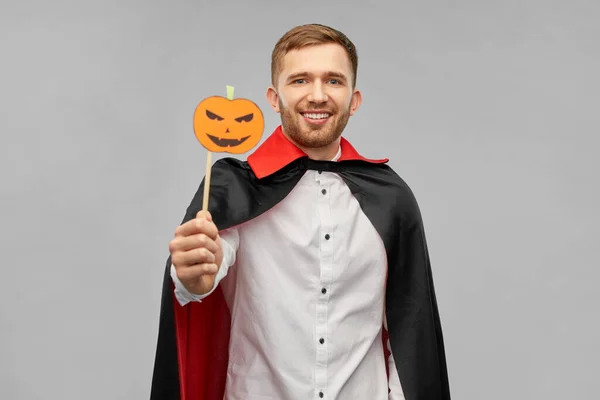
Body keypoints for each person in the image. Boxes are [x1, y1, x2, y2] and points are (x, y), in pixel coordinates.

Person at [150, 23, 451, 400]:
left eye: (334, 81)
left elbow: (409, 328)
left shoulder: (391, 196)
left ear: (354, 100)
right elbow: (204, 272)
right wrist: (193, 274)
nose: (318, 95)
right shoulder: (236, 186)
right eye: (300, 80)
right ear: (274, 98)